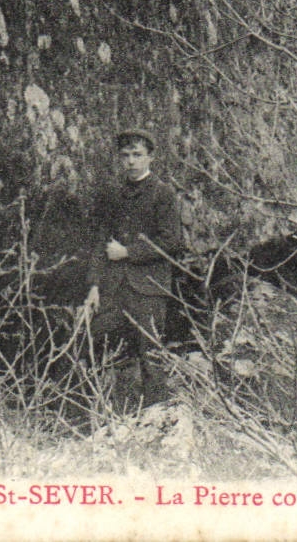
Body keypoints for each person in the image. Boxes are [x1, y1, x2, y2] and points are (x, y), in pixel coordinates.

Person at [80, 128, 182, 408]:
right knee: (100, 347)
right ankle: (106, 416)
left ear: (151, 157)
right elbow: (100, 241)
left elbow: (172, 241)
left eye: (137, 155)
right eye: (125, 155)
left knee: (150, 354)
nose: (131, 162)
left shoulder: (163, 193)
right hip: (114, 287)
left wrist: (128, 253)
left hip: (148, 288)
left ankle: (157, 417)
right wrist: (94, 285)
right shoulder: (112, 194)